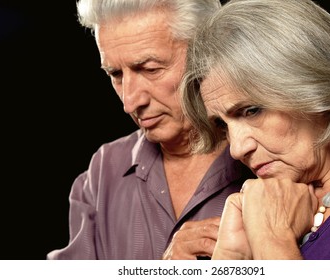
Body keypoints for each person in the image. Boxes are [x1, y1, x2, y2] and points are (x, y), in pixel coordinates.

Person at [47, 0, 254, 260]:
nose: (130, 102)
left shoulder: (274, 159)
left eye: (150, 69)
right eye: (116, 74)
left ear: (208, 54)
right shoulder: (104, 170)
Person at [180, 0, 330, 259]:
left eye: (252, 110)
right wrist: (230, 257)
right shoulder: (249, 211)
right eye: (222, 125)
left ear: (316, 89)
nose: (237, 149)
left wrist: (273, 238)